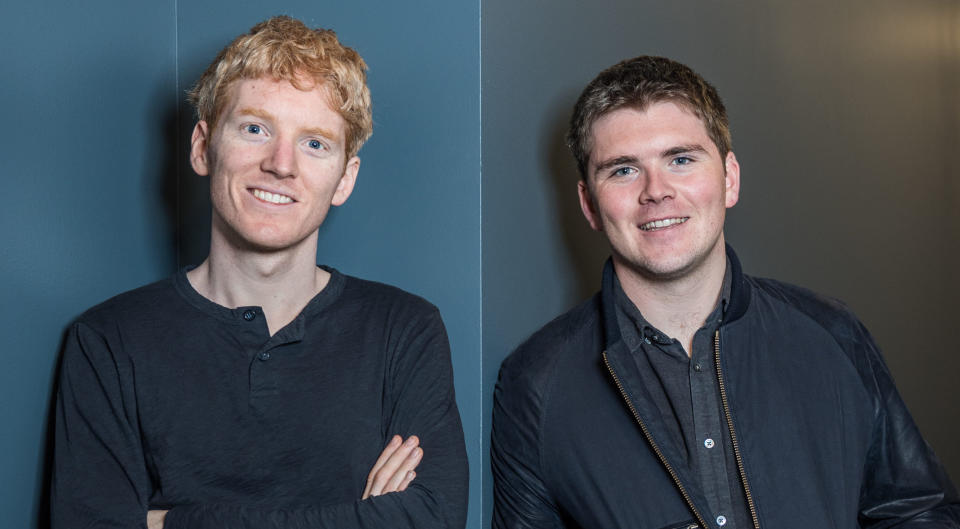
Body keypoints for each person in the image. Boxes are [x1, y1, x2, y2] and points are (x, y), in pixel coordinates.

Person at [490, 55, 959, 529]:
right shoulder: (536, 384)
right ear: (590, 204)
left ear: (729, 179)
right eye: (623, 170)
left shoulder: (833, 334)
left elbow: (918, 512)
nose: (657, 191)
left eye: (681, 159)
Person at [51, 16, 467, 529]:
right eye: (255, 129)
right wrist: (364, 517)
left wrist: (169, 522)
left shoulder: (405, 330)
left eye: (315, 143)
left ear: (344, 178)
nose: (281, 163)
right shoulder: (108, 342)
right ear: (203, 147)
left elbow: (431, 516)